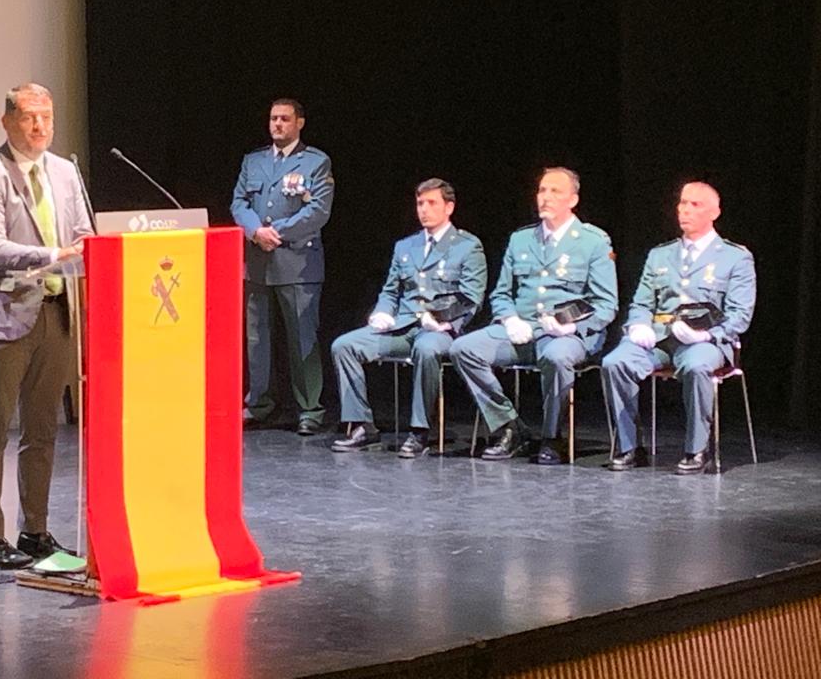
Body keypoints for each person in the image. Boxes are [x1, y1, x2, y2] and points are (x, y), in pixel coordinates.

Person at [0, 83, 93, 568]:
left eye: (47, 118)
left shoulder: (64, 172)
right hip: (3, 318)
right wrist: (52, 255)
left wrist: (83, 250)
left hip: (57, 315)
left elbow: (84, 234)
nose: (40, 127)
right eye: (29, 118)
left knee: (42, 431)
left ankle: (35, 532)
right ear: (8, 122)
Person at [449, 167, 618, 464]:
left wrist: (573, 328)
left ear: (573, 200)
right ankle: (509, 427)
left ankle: (552, 437)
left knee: (556, 357)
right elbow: (501, 293)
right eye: (542, 190)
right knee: (463, 348)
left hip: (567, 335)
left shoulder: (593, 241)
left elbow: (606, 304)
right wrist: (509, 318)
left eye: (555, 191)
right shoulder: (521, 240)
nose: (546, 197)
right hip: (523, 328)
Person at [602, 182, 756, 475]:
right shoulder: (661, 255)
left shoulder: (735, 257)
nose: (685, 209)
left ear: (715, 212)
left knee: (697, 366)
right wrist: (637, 325)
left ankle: (697, 448)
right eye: (683, 203)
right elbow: (642, 303)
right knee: (615, 362)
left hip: (705, 343)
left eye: (695, 205)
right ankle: (629, 445)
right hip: (660, 340)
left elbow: (740, 315)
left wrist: (708, 334)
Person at [330, 179, 487, 458]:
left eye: (431, 203)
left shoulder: (466, 245)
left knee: (426, 348)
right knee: (345, 345)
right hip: (403, 326)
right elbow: (391, 291)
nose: (424, 210)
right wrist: (382, 312)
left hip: (440, 329)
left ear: (449, 207)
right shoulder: (406, 246)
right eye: (420, 203)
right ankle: (363, 425)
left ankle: (420, 431)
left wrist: (442, 320)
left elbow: (470, 298)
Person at [230, 99, 335, 435]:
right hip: (259, 262)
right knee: (257, 338)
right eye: (273, 119)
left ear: (299, 123)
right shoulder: (254, 160)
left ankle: (309, 409)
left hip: (298, 263)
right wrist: (254, 231)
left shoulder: (315, 162)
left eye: (284, 119)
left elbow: (318, 210)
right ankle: (259, 404)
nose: (277, 124)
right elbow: (239, 202)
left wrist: (277, 232)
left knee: (302, 338)